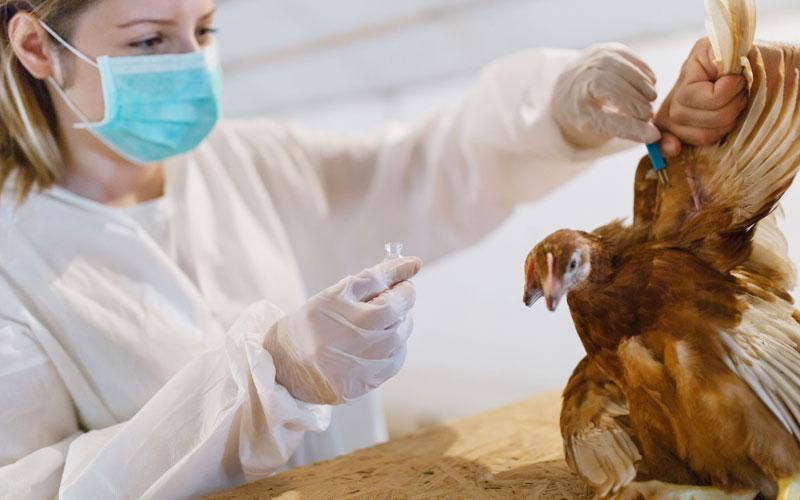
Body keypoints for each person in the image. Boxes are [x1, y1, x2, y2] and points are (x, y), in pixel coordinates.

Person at [0, 0, 746, 498]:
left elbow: (423, 168)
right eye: (149, 41)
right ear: (37, 48)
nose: (192, 61)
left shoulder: (250, 162)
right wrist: (271, 380)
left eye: (205, 28)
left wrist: (556, 109)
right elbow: (39, 487)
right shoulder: (15, 259)